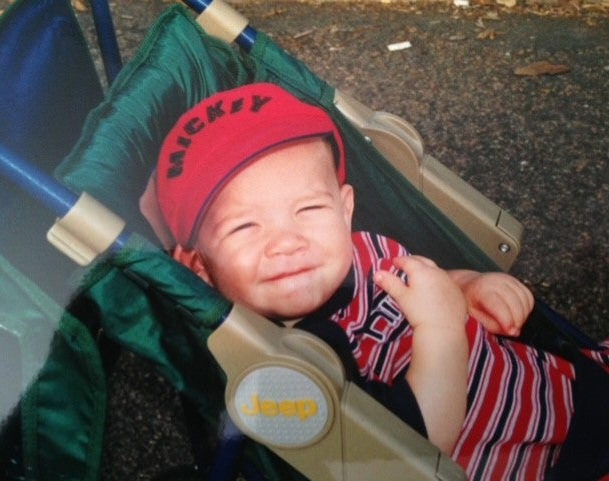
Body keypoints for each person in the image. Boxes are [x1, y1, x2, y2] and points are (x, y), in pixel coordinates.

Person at [152, 82, 609, 481]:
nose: (287, 242)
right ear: (198, 267)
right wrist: (443, 328)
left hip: (559, 389)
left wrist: (467, 287)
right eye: (244, 228)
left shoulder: (364, 251)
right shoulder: (278, 366)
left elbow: (430, 280)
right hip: (530, 463)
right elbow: (414, 453)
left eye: (310, 210)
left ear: (345, 209)